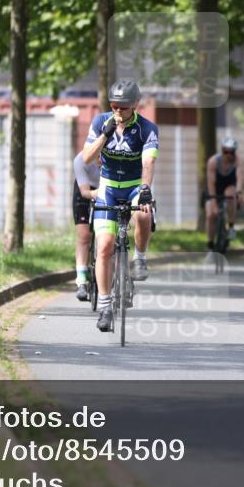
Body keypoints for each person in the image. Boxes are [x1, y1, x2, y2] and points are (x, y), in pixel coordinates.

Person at [82, 78, 159, 332]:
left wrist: (146, 189)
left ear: (135, 105)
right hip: (108, 189)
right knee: (104, 246)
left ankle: (140, 257)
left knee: (145, 214)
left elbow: (148, 162)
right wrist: (105, 134)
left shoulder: (147, 129)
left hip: (136, 185)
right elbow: (87, 159)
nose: (118, 111)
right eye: (114, 105)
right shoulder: (100, 122)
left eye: (123, 107)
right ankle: (104, 306)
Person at [205, 136, 244, 248]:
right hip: (215, 188)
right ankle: (210, 242)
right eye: (225, 151)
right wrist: (213, 203)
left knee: (230, 195)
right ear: (222, 150)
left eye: (231, 152)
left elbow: (240, 177)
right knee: (210, 215)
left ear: (234, 152)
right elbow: (211, 182)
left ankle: (231, 226)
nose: (228, 155)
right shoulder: (213, 161)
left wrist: (239, 192)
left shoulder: (238, 161)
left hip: (229, 185)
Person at [72, 152, 100, 301]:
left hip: (108, 191)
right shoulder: (81, 160)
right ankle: (81, 279)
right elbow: (85, 192)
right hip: (86, 190)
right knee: (84, 235)